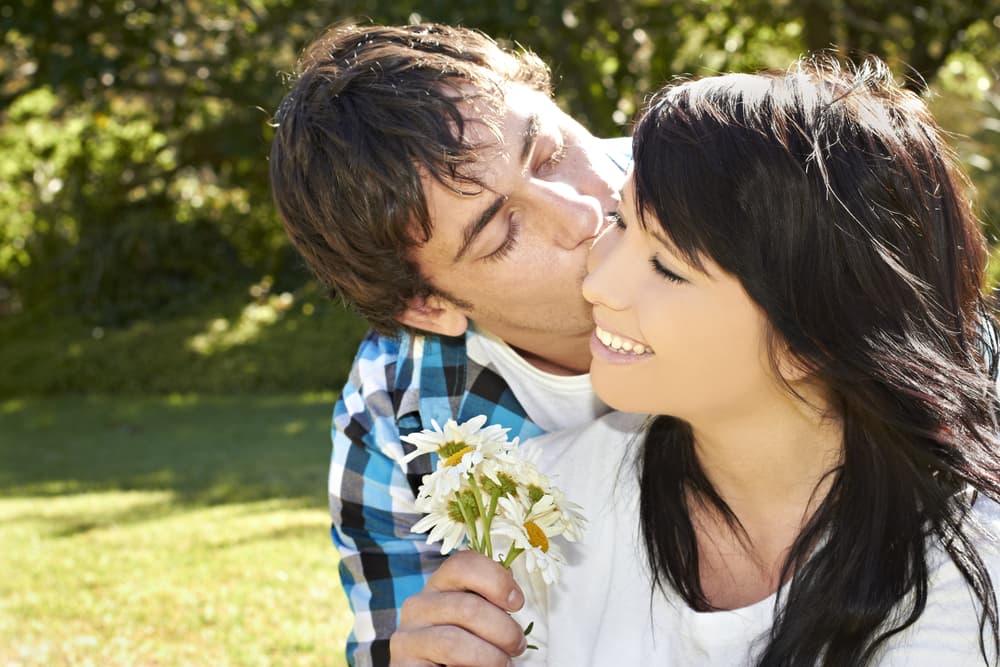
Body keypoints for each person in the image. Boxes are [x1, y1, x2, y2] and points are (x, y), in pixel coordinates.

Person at [399, 58, 1000, 666]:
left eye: (667, 267)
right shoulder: (536, 505)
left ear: (815, 334)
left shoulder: (970, 567)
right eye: (622, 221)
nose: (598, 283)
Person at [268, 21, 629, 665]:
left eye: (549, 151)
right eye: (500, 234)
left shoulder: (760, 195)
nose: (582, 212)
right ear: (425, 304)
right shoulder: (396, 413)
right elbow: (389, 639)